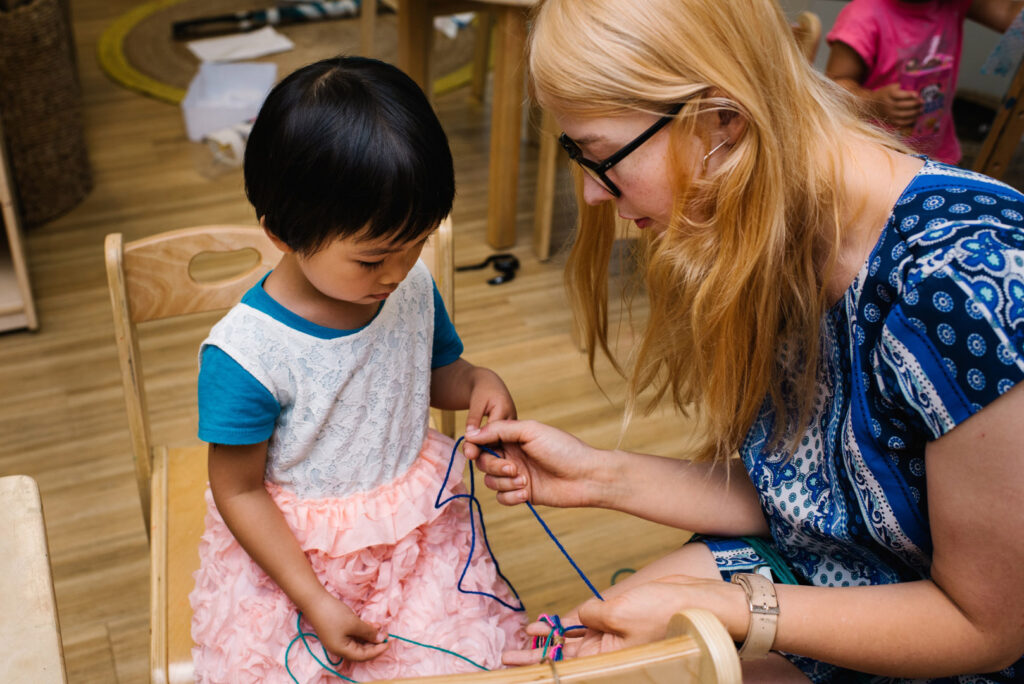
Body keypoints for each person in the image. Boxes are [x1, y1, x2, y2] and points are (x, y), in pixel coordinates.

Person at [462, 0, 1024, 681]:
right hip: (845, 569)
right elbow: (805, 495)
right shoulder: (774, 229)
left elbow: (987, 628)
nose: (590, 195)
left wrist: (732, 610)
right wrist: (598, 475)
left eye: (604, 158)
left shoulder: (964, 287)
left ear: (723, 122)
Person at [188, 56, 525, 682]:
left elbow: (432, 371)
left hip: (416, 540)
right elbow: (238, 490)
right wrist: (314, 599)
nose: (398, 273)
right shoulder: (245, 355)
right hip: (294, 566)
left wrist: (479, 382)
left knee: (464, 662)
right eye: (373, 259)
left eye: (418, 242)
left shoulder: (409, 285)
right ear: (283, 233)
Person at [825, 0, 1024, 164]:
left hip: (938, 156)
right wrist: (872, 103)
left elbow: (1011, 15)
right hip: (876, 159)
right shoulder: (862, 15)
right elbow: (832, 92)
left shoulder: (950, 4)